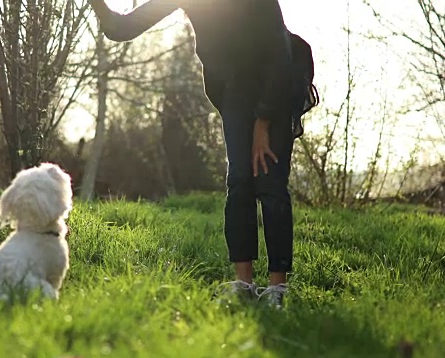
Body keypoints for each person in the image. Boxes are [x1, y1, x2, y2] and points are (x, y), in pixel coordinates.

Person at [88, 0, 296, 308]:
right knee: (239, 179)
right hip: (236, 93)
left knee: (270, 180)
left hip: (276, 84)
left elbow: (282, 54)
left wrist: (263, 122)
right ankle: (244, 284)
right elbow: (123, 27)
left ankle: (278, 289)